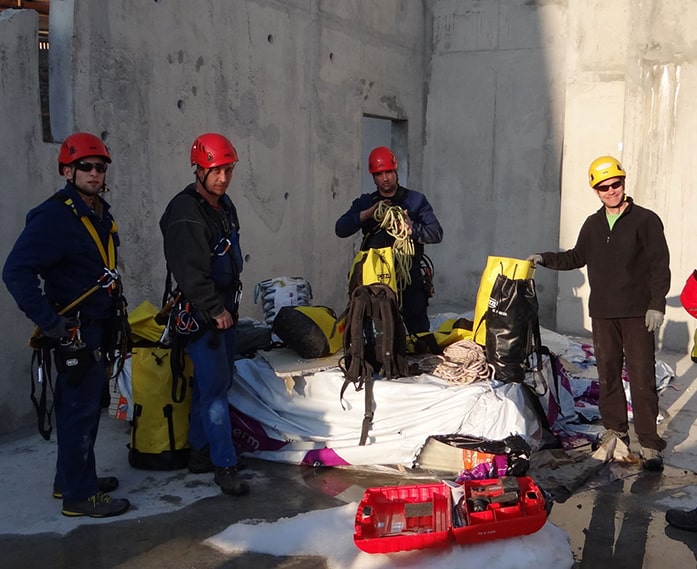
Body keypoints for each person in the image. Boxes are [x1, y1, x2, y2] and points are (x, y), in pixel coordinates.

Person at [2, 132, 131, 517]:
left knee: (88, 408)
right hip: (74, 329)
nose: (94, 173)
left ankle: (71, 479)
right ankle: (79, 496)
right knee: (77, 410)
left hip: (98, 324)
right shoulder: (55, 216)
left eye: (100, 167)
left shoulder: (99, 213)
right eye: (85, 167)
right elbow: (16, 272)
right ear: (67, 170)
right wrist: (52, 322)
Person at [527, 155, 670, 471]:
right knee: (608, 377)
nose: (611, 191)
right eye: (603, 187)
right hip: (603, 314)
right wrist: (544, 258)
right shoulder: (592, 224)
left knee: (642, 378)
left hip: (637, 315)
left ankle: (649, 445)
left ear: (623, 181)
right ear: (595, 190)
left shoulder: (646, 220)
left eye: (615, 184)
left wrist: (656, 305)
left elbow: (660, 266)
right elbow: (577, 257)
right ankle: (616, 432)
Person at [159, 132, 249, 496]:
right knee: (215, 391)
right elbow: (189, 270)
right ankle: (224, 465)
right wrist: (214, 309)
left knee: (213, 385)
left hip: (222, 306)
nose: (223, 177)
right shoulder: (185, 211)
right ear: (198, 169)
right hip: (204, 312)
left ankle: (200, 452)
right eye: (215, 170)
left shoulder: (222, 205)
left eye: (227, 170)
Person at [335, 146, 443, 334]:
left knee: (418, 333)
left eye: (388, 172)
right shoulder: (366, 202)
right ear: (373, 177)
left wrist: (412, 230)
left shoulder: (416, 201)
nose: (385, 178)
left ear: (395, 171)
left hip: (409, 278)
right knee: (379, 334)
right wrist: (367, 214)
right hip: (376, 281)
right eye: (379, 174)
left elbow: (436, 233)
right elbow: (341, 229)